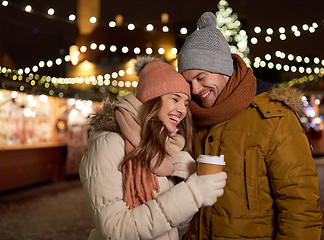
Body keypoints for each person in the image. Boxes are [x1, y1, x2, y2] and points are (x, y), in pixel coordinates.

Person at [177, 12, 323, 239]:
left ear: (223, 69)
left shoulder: (274, 117)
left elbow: (300, 205)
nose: (195, 89)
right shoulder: (188, 118)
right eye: (188, 82)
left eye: (201, 77)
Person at [79, 56, 227, 240]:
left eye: (186, 103)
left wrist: (188, 180)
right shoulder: (109, 144)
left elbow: (175, 228)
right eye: (175, 99)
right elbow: (115, 230)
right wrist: (192, 194)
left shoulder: (166, 148)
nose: (182, 110)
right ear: (153, 99)